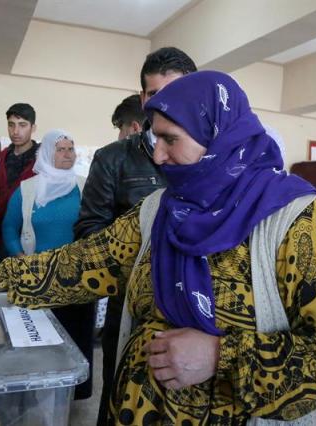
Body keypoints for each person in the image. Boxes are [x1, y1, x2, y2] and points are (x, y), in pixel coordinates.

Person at [0, 71, 316, 424]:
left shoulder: (291, 218)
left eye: (171, 140)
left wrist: (221, 354)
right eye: (154, 141)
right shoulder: (160, 210)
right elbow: (90, 260)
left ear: (218, 137)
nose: (159, 156)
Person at [74, 46, 196, 424]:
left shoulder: (207, 158)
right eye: (155, 94)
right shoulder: (114, 158)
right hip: (130, 305)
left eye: (177, 91)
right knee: (121, 401)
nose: (166, 103)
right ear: (143, 99)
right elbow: (89, 232)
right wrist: (145, 264)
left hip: (194, 314)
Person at [1, 129, 94, 398]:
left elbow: (96, 225)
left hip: (77, 280)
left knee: (76, 338)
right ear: (46, 153)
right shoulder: (27, 189)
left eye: (71, 148)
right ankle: (36, 392)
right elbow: (9, 227)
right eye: (61, 149)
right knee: (37, 340)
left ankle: (73, 395)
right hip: (38, 279)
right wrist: (21, 258)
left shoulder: (84, 186)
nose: (68, 154)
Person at [0, 103, 39, 266]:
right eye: (11, 125)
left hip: (28, 236)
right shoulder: (3, 156)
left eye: (22, 125)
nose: (15, 131)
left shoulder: (42, 160)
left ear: (33, 127)